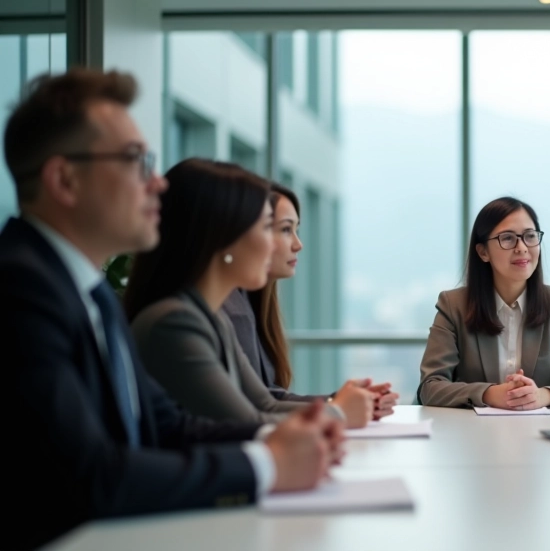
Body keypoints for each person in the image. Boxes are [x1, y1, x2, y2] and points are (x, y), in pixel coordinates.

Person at [1, 69, 342, 550]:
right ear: (65, 180)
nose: (158, 183)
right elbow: (91, 475)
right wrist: (267, 464)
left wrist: (292, 438)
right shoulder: (21, 289)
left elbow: (165, 426)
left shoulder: (90, 291)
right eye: (136, 161)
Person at [123, 159, 374, 428]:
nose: (275, 244)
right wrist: (338, 412)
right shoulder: (174, 323)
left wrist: (339, 405)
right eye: (268, 227)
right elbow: (248, 425)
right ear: (224, 236)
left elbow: (264, 404)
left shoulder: (210, 317)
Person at [221, 182, 398, 420]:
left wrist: (342, 401)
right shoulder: (232, 311)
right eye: (284, 230)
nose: (298, 244)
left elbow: (268, 398)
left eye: (296, 230)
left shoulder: (244, 303)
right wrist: (338, 410)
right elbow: (259, 407)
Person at [418, 196, 550, 409]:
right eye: (507, 238)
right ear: (483, 252)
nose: (522, 247)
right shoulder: (453, 305)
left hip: (538, 434)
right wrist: (488, 394)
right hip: (471, 434)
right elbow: (429, 387)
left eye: (530, 236)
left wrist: (543, 396)